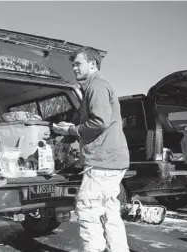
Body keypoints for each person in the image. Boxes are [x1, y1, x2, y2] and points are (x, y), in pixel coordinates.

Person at [52, 46, 130, 252]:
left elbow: (99, 122)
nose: (74, 68)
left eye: (78, 64)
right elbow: (86, 118)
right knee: (109, 213)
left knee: (87, 210)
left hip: (102, 160)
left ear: (93, 64)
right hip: (113, 160)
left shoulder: (97, 86)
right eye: (73, 65)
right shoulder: (91, 89)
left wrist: (72, 130)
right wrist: (66, 134)